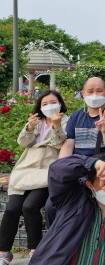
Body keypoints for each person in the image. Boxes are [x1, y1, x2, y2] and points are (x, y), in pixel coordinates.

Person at [29, 152, 105, 264]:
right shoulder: (73, 196)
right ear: (90, 185)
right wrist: (92, 163)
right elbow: (57, 170)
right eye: (104, 183)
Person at [45, 77, 105, 227]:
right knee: (51, 206)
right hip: (80, 169)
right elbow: (68, 146)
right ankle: (56, 243)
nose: (95, 94)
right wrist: (61, 169)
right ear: (83, 94)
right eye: (90, 91)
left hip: (103, 170)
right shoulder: (76, 117)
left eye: (99, 90)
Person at [0, 90, 68, 264]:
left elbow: (59, 143)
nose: (49, 106)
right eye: (44, 104)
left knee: (30, 207)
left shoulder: (66, 121)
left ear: (60, 104)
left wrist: (57, 125)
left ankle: (35, 250)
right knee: (11, 210)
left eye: (53, 102)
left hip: (46, 172)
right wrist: (29, 128)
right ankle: (4, 252)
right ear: (39, 106)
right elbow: (23, 143)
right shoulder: (36, 122)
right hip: (25, 170)